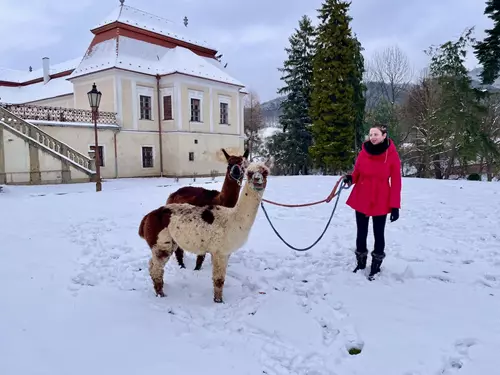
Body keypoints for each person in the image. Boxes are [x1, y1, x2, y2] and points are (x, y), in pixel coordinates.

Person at [343, 123, 402, 280]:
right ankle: (361, 262)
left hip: (381, 197)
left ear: (384, 136)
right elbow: (357, 173)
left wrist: (395, 206)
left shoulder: (392, 155)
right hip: (362, 195)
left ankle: (376, 265)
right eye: (371, 134)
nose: (373, 137)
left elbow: (396, 182)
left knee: (379, 232)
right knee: (361, 232)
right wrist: (350, 178)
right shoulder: (364, 152)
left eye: (376, 134)